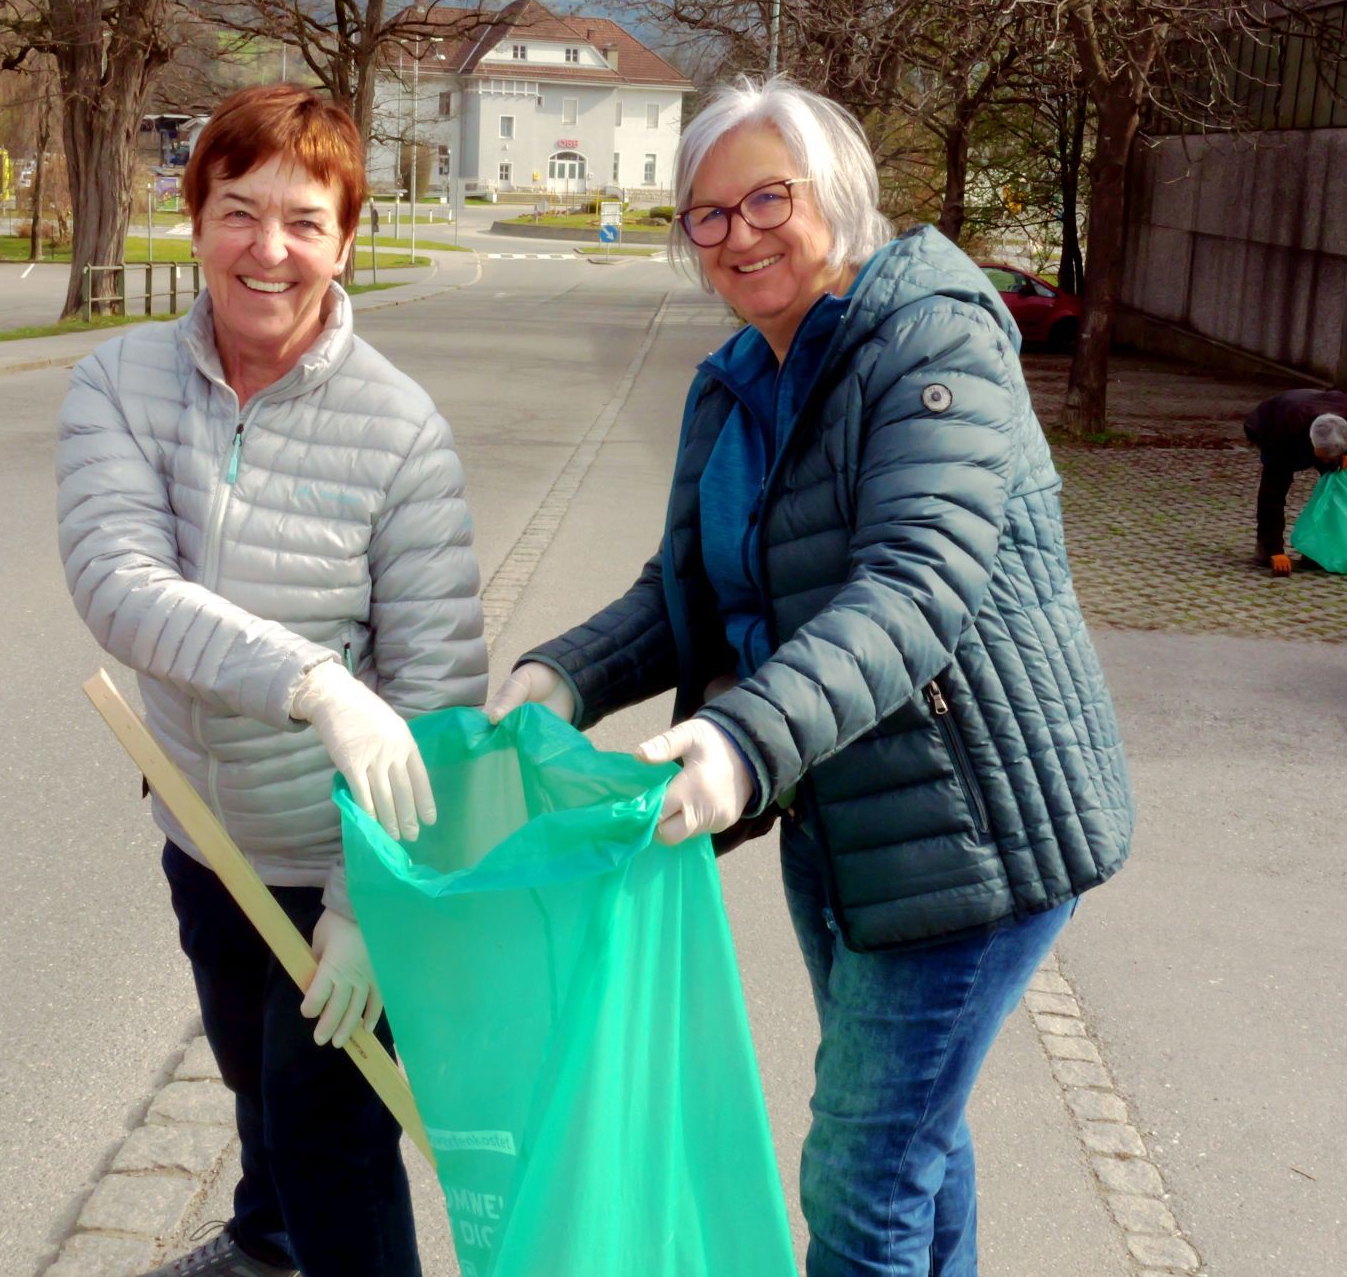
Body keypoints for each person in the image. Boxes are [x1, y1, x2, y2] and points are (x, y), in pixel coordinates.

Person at [484, 78, 1134, 1277]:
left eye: (765, 197)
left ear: (837, 193)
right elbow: (680, 586)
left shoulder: (934, 339)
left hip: (974, 830)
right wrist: (559, 675)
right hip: (840, 827)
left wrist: (737, 742)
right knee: (907, 1141)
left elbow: (914, 584)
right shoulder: (736, 379)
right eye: (708, 216)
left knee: (861, 1174)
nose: (739, 234)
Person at [57, 84, 486, 1277]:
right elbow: (118, 582)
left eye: (303, 220)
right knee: (250, 1067)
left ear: (346, 240)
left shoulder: (400, 430)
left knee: (332, 1127)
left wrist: (364, 906)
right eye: (238, 212)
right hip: (205, 830)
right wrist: (314, 683)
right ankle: (265, 1243)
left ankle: (305, 1237)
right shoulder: (119, 384)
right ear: (191, 218)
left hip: (343, 854)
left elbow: (439, 690)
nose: (268, 249)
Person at [1243, 387, 1347, 575]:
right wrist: (1275, 551)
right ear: (1311, 443)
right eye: (1323, 455)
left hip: (1319, 410)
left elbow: (1343, 435)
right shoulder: (1284, 433)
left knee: (1335, 477)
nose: (1325, 461)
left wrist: (1343, 455)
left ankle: (1320, 545)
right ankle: (1265, 546)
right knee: (1276, 483)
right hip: (1272, 419)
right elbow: (1272, 496)